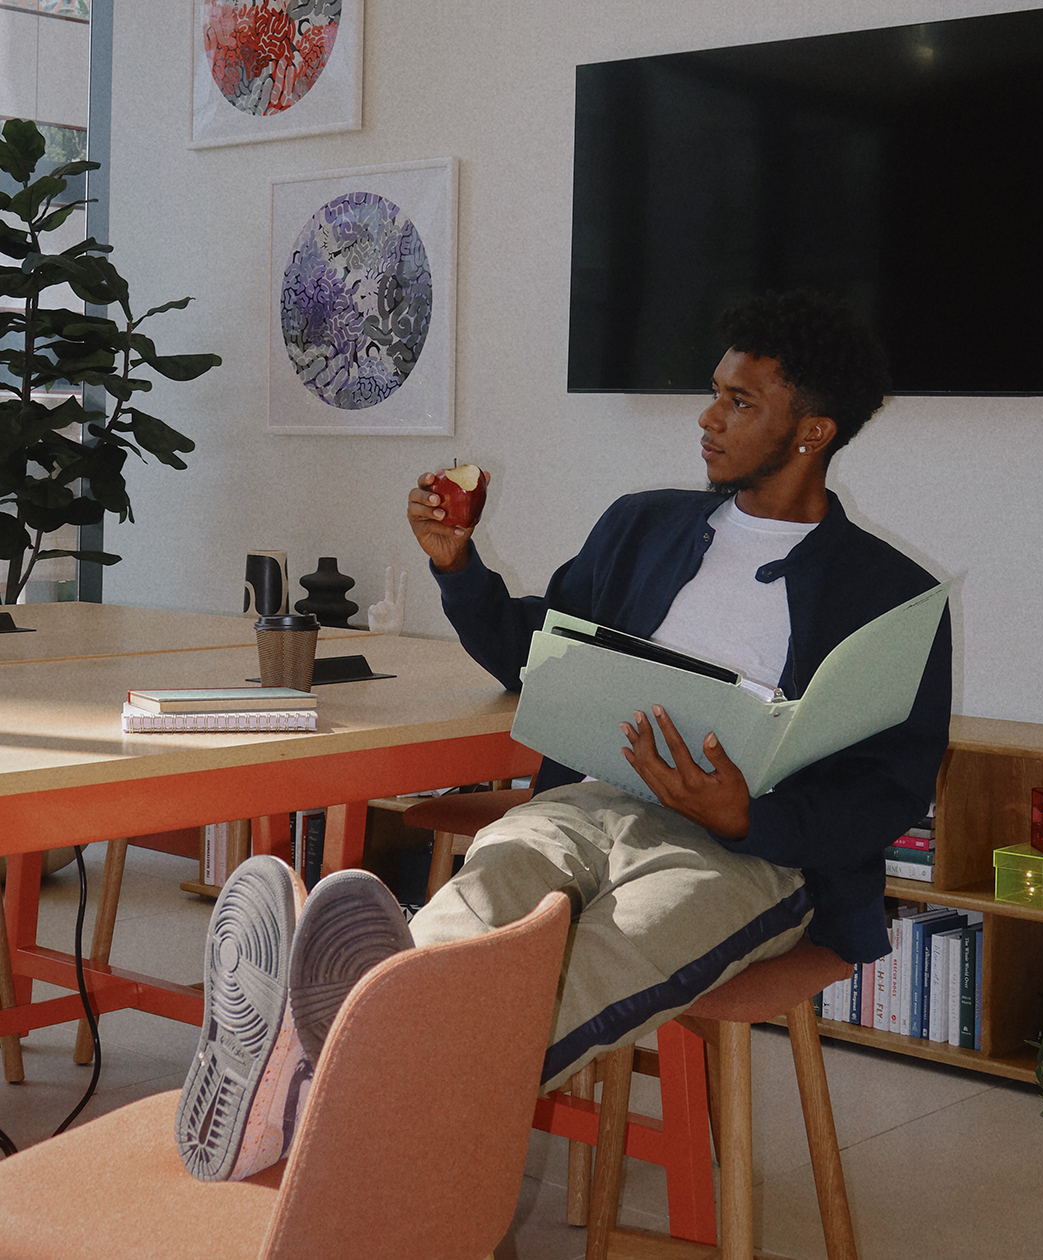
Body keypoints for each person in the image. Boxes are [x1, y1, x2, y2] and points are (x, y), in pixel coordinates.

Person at [175, 290, 951, 1182]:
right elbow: (535, 656)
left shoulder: (890, 596)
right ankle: (336, 1076)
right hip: (586, 800)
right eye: (714, 391)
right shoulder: (643, 524)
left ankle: (317, 1075)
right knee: (485, 900)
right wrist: (457, 567)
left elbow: (889, 790)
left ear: (812, 432)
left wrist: (749, 815)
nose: (707, 418)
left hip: (745, 854)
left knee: (598, 960)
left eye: (740, 402)